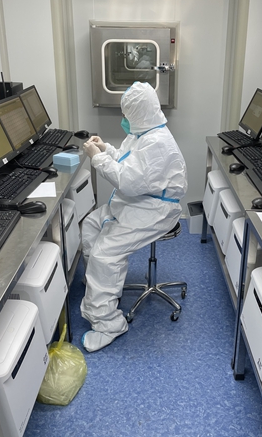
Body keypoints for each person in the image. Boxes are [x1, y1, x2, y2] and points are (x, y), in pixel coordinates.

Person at [80, 81, 188, 352]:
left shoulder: (158, 143)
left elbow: (127, 180)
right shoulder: (144, 132)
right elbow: (128, 162)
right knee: (91, 224)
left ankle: (108, 324)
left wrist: (96, 159)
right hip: (139, 201)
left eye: (126, 114)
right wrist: (106, 149)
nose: (123, 118)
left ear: (138, 113)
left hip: (155, 210)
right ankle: (99, 285)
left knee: (105, 254)